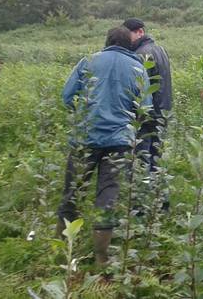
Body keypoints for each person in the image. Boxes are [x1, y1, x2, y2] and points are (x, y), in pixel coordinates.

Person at [56, 26, 151, 266]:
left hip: (84, 139)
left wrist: (83, 115)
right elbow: (146, 108)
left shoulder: (88, 61)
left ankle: (61, 251)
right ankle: (101, 258)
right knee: (107, 196)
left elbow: (67, 96)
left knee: (73, 192)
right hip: (119, 142)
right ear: (129, 44)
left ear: (107, 42)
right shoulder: (138, 67)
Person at [122, 18, 172, 168]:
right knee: (156, 155)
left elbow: (138, 87)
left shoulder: (140, 54)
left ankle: (143, 188)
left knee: (142, 156)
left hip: (147, 112)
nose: (125, 39)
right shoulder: (160, 49)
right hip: (163, 110)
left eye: (127, 34)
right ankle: (155, 188)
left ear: (140, 32)